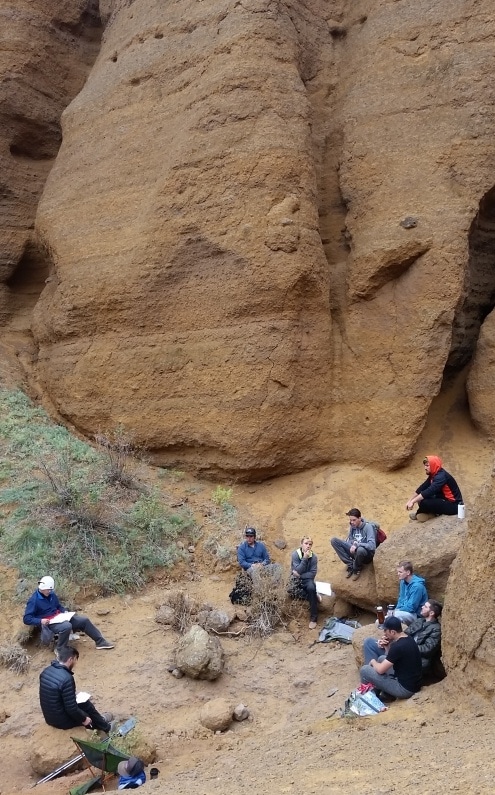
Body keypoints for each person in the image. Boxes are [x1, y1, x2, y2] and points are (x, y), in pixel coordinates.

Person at [23, 575, 114, 653]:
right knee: (66, 626)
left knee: (83, 620)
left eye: (50, 590)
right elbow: (27, 619)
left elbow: (58, 606)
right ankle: (60, 649)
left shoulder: (52, 595)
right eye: (48, 590)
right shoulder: (34, 601)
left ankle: (100, 642)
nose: (49, 591)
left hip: (59, 617)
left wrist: (64, 612)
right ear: (42, 589)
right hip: (49, 623)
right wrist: (41, 621)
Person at [39, 645, 112, 732]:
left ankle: (100, 720)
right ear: (70, 659)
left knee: (80, 703)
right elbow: (71, 709)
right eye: (75, 659)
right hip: (62, 721)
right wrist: (84, 719)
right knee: (86, 707)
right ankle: (106, 727)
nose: (75, 662)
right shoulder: (67, 678)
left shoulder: (46, 671)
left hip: (50, 718)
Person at [364, 599, 442, 673]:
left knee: (383, 658)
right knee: (369, 642)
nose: (422, 607)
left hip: (415, 660)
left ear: (431, 613)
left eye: (425, 607)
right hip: (401, 650)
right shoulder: (419, 621)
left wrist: (405, 647)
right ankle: (372, 674)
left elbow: (428, 649)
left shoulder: (436, 629)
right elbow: (403, 635)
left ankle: (375, 676)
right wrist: (388, 639)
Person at [359, 616, 423, 700]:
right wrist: (387, 647)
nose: (384, 633)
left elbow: (381, 670)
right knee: (382, 658)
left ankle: (369, 699)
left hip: (404, 690)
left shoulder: (398, 646)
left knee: (365, 670)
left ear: (393, 632)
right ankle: (385, 694)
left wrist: (373, 662)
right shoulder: (409, 639)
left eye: (386, 631)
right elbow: (392, 658)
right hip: (413, 683)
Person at [406, 455, 463, 522]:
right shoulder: (434, 474)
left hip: (454, 506)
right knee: (421, 498)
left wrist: (413, 501)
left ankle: (421, 514)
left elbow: (429, 491)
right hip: (444, 499)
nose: (425, 468)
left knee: (424, 501)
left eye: (427, 466)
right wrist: (410, 500)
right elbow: (422, 487)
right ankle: (430, 513)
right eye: (425, 465)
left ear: (433, 465)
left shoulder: (441, 477)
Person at [330, 508, 376, 581]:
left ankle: (357, 569)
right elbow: (351, 538)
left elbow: (372, 546)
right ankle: (351, 564)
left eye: (354, 520)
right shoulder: (352, 526)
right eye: (350, 520)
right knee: (334, 541)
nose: (352, 522)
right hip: (355, 551)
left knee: (360, 550)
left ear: (360, 518)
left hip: (366, 554)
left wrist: (357, 545)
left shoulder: (368, 527)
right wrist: (352, 544)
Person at [290, 536, 322, 630]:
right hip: (295, 579)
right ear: (301, 544)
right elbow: (297, 570)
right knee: (290, 590)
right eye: (306, 543)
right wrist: (304, 558)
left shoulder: (314, 557)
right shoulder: (295, 554)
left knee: (311, 588)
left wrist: (299, 575)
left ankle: (314, 619)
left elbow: (312, 574)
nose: (308, 546)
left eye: (310, 544)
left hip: (307, 579)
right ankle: (313, 596)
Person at [393, 561, 428, 625]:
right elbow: (401, 599)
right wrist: (396, 609)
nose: (398, 574)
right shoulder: (403, 582)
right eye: (398, 572)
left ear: (408, 572)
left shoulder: (417, 586)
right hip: (404, 612)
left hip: (417, 616)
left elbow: (411, 607)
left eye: (400, 572)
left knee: (396, 615)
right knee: (383, 619)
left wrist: (397, 611)